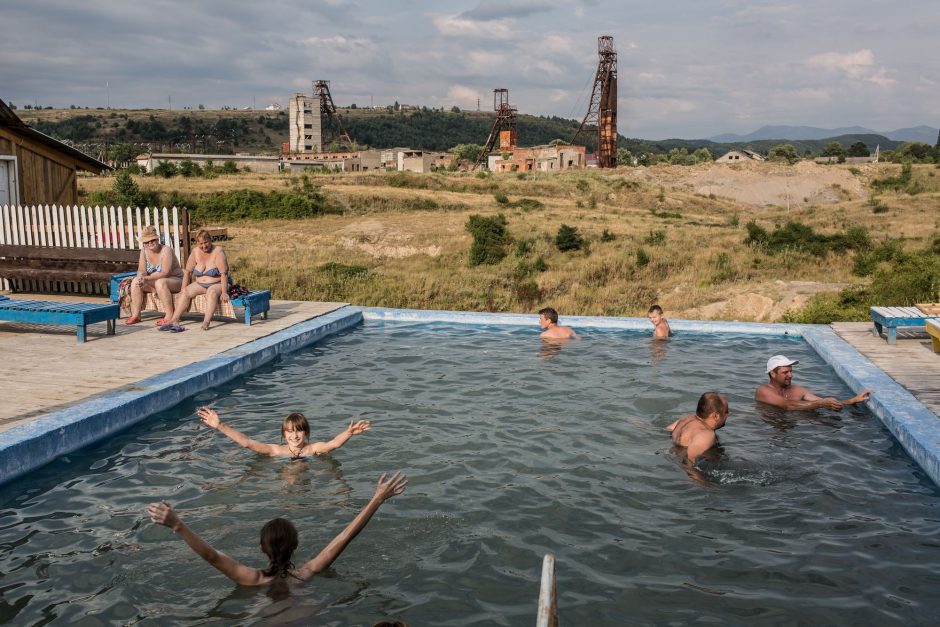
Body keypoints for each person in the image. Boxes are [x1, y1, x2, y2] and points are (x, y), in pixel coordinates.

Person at [147, 471, 407, 585]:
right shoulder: (307, 574)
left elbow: (210, 555)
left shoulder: (251, 579)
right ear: (297, 545)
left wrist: (177, 524)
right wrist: (376, 499)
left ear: (261, 548)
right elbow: (346, 536)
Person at [197, 407, 371, 459]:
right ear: (283, 434)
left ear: (306, 433)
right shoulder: (277, 451)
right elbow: (247, 442)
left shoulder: (313, 449)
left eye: (298, 431)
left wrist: (349, 433)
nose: (294, 436)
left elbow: (334, 443)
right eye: (289, 432)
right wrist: (220, 426)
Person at [161, 229, 230, 332]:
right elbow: (187, 272)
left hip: (218, 283)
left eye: (206, 242)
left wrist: (224, 292)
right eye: (201, 243)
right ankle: (174, 320)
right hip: (200, 284)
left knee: (211, 292)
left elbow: (223, 274)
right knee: (185, 292)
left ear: (210, 240)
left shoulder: (218, 251)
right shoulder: (195, 252)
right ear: (197, 243)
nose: (204, 246)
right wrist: (182, 289)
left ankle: (206, 322)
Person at [755, 355, 872, 411]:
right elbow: (787, 405)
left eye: (791, 371)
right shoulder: (763, 391)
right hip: (772, 428)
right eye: (785, 372)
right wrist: (821, 404)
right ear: (773, 374)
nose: (790, 375)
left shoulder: (798, 390)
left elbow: (822, 401)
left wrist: (851, 401)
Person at [125, 225, 183, 325]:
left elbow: (165, 272)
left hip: (175, 280)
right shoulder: (144, 252)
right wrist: (141, 277)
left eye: (152, 240)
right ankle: (136, 315)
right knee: (135, 281)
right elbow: (141, 270)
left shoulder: (166, 250)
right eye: (147, 242)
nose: (150, 243)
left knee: (160, 282)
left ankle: (169, 316)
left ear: (157, 239)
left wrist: (146, 278)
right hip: (155, 281)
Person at [667, 392, 729, 462]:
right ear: (715, 416)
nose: (728, 415)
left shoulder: (685, 419)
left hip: (672, 451)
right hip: (679, 462)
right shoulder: (706, 435)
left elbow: (668, 429)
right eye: (726, 412)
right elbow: (688, 461)